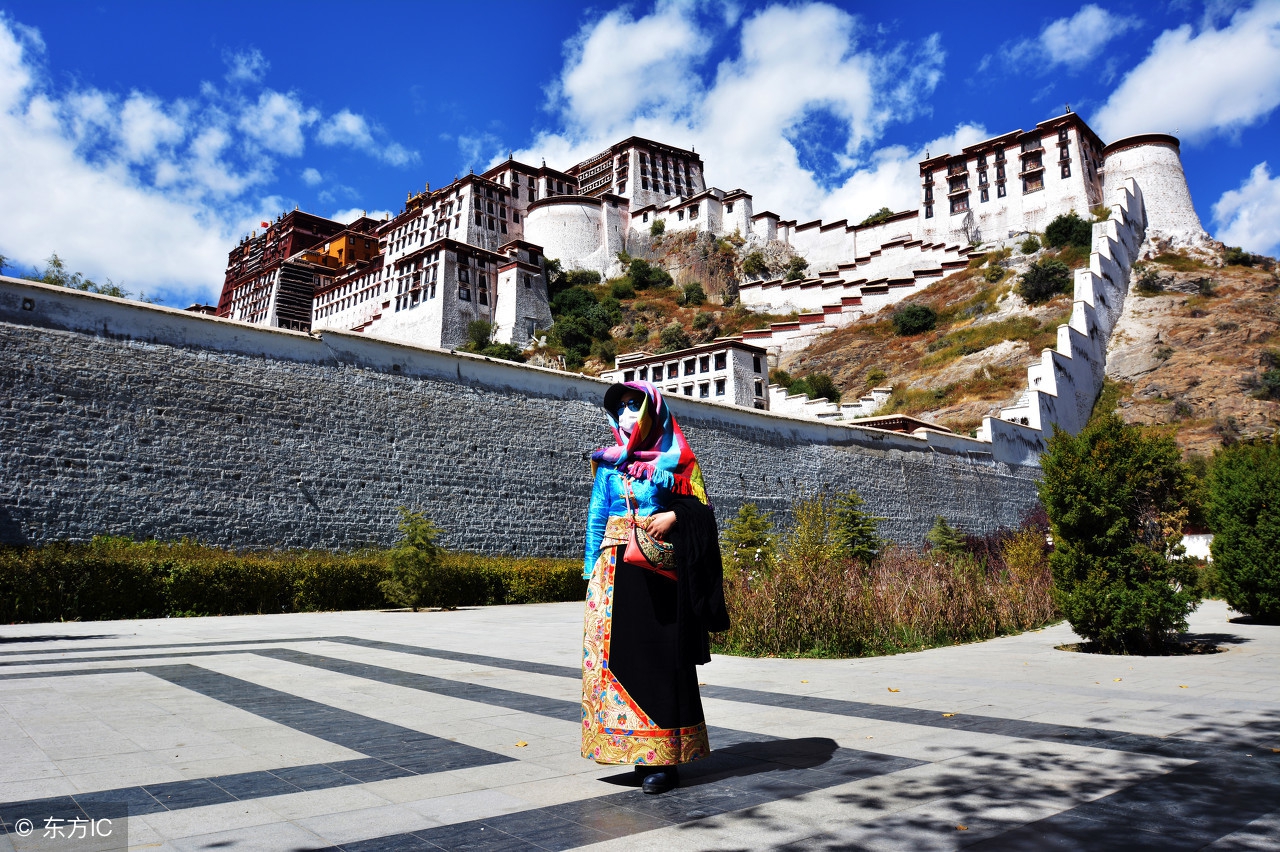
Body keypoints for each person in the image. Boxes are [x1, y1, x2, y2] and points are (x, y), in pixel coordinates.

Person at [580, 381, 729, 795]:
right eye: (620, 407)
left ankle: (665, 759)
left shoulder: (678, 462)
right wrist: (591, 573)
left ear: (653, 411)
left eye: (634, 404)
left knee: (660, 658)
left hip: (659, 571)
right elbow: (596, 516)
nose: (626, 413)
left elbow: (702, 512)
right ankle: (633, 751)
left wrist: (674, 518)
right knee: (619, 658)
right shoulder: (607, 464)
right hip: (613, 572)